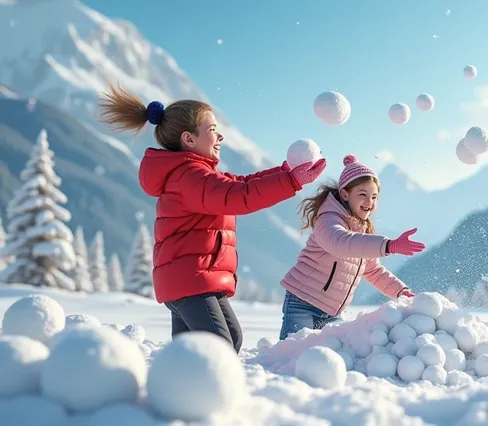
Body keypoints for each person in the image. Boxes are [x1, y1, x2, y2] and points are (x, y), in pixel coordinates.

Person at [97, 84, 326, 353]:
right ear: (189, 139)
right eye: (212, 130)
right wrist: (291, 180)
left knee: (219, 343)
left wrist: (285, 172)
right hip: (191, 279)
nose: (220, 138)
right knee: (219, 348)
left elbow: (241, 183)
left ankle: (179, 385)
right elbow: (240, 195)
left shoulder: (196, 175)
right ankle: (199, 390)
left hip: (194, 279)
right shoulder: (190, 177)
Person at [278, 154, 425, 340]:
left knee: (333, 360)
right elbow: (341, 243)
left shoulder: (362, 230)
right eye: (362, 195)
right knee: (292, 354)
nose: (369, 203)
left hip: (332, 313)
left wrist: (401, 292)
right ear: (345, 194)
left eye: (374, 197)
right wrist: (389, 245)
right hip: (302, 303)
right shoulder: (328, 220)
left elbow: (373, 271)